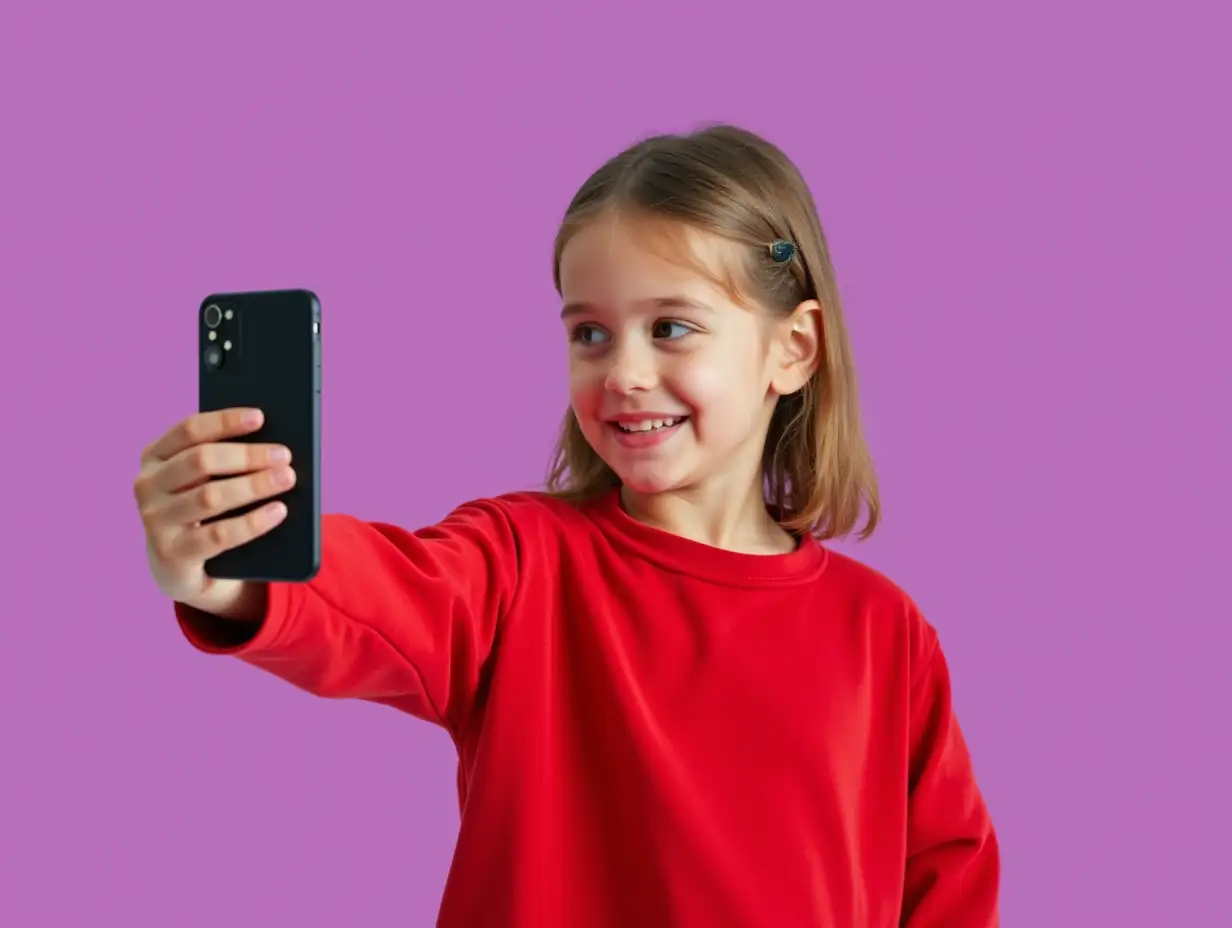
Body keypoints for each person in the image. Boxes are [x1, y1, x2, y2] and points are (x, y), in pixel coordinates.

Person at [133, 124, 1000, 927]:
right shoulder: (519, 565)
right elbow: (383, 596)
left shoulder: (885, 635)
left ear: (793, 349)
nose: (623, 371)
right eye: (590, 332)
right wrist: (231, 572)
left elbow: (947, 886)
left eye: (671, 328)